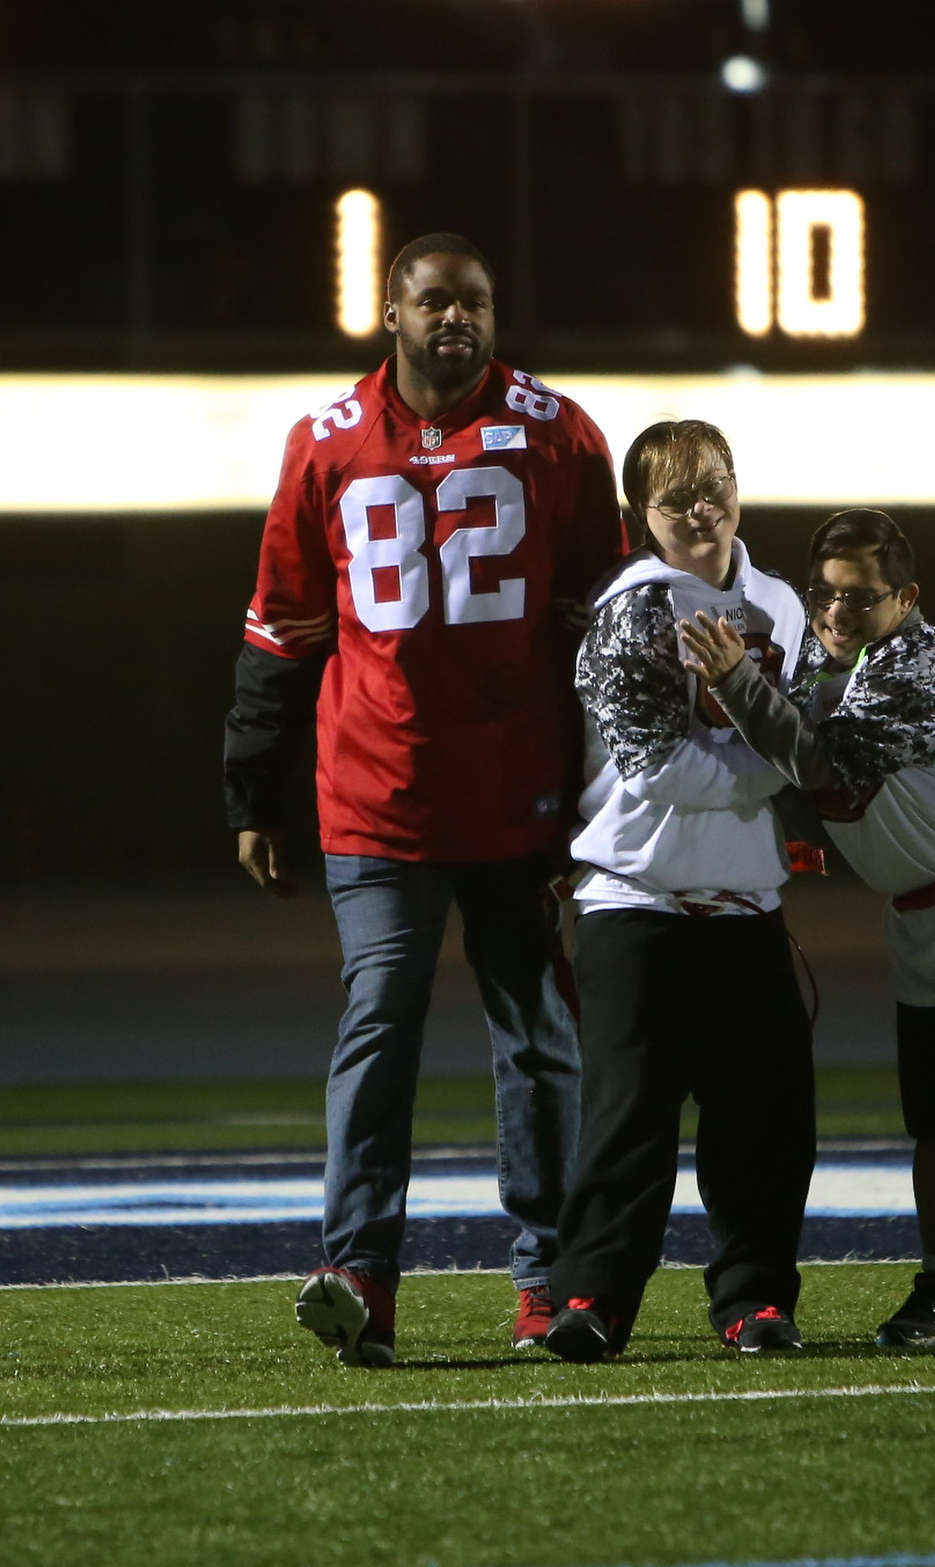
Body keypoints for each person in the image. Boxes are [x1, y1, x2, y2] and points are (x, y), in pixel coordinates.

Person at [225, 232, 626, 1368]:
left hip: (520, 791)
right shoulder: (326, 440)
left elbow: (605, 619)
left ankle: (548, 1277)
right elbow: (281, 622)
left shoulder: (559, 431)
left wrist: (604, 782)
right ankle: (359, 1272)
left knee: (541, 1040)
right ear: (390, 314)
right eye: (437, 301)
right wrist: (251, 785)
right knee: (378, 1029)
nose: (460, 318)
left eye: (478, 302)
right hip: (378, 793)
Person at [679, 506, 935, 1357]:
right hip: (921, 908)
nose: (835, 614)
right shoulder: (822, 653)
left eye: (860, 598)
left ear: (906, 598)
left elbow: (821, 761)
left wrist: (735, 685)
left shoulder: (915, 663)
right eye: (824, 596)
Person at [541, 421, 816, 1363]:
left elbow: (812, 745)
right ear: (640, 515)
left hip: (746, 910)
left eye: (717, 487)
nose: (704, 511)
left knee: (767, 1129)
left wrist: (777, 754)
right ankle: (592, 1298)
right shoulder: (630, 607)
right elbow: (660, 768)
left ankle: (756, 1303)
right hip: (636, 902)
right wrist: (772, 762)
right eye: (678, 498)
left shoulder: (781, 602)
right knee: (626, 1126)